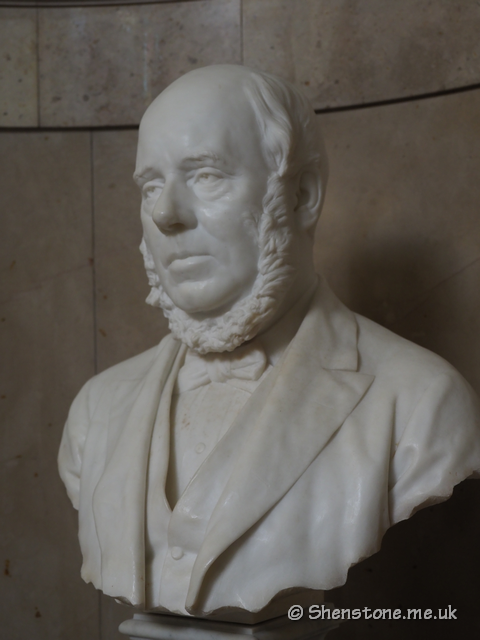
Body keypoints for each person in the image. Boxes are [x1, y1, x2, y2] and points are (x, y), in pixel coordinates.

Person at [58, 64, 480, 619]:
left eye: (205, 175)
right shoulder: (96, 410)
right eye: (151, 185)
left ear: (302, 194)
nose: (165, 214)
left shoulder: (423, 405)